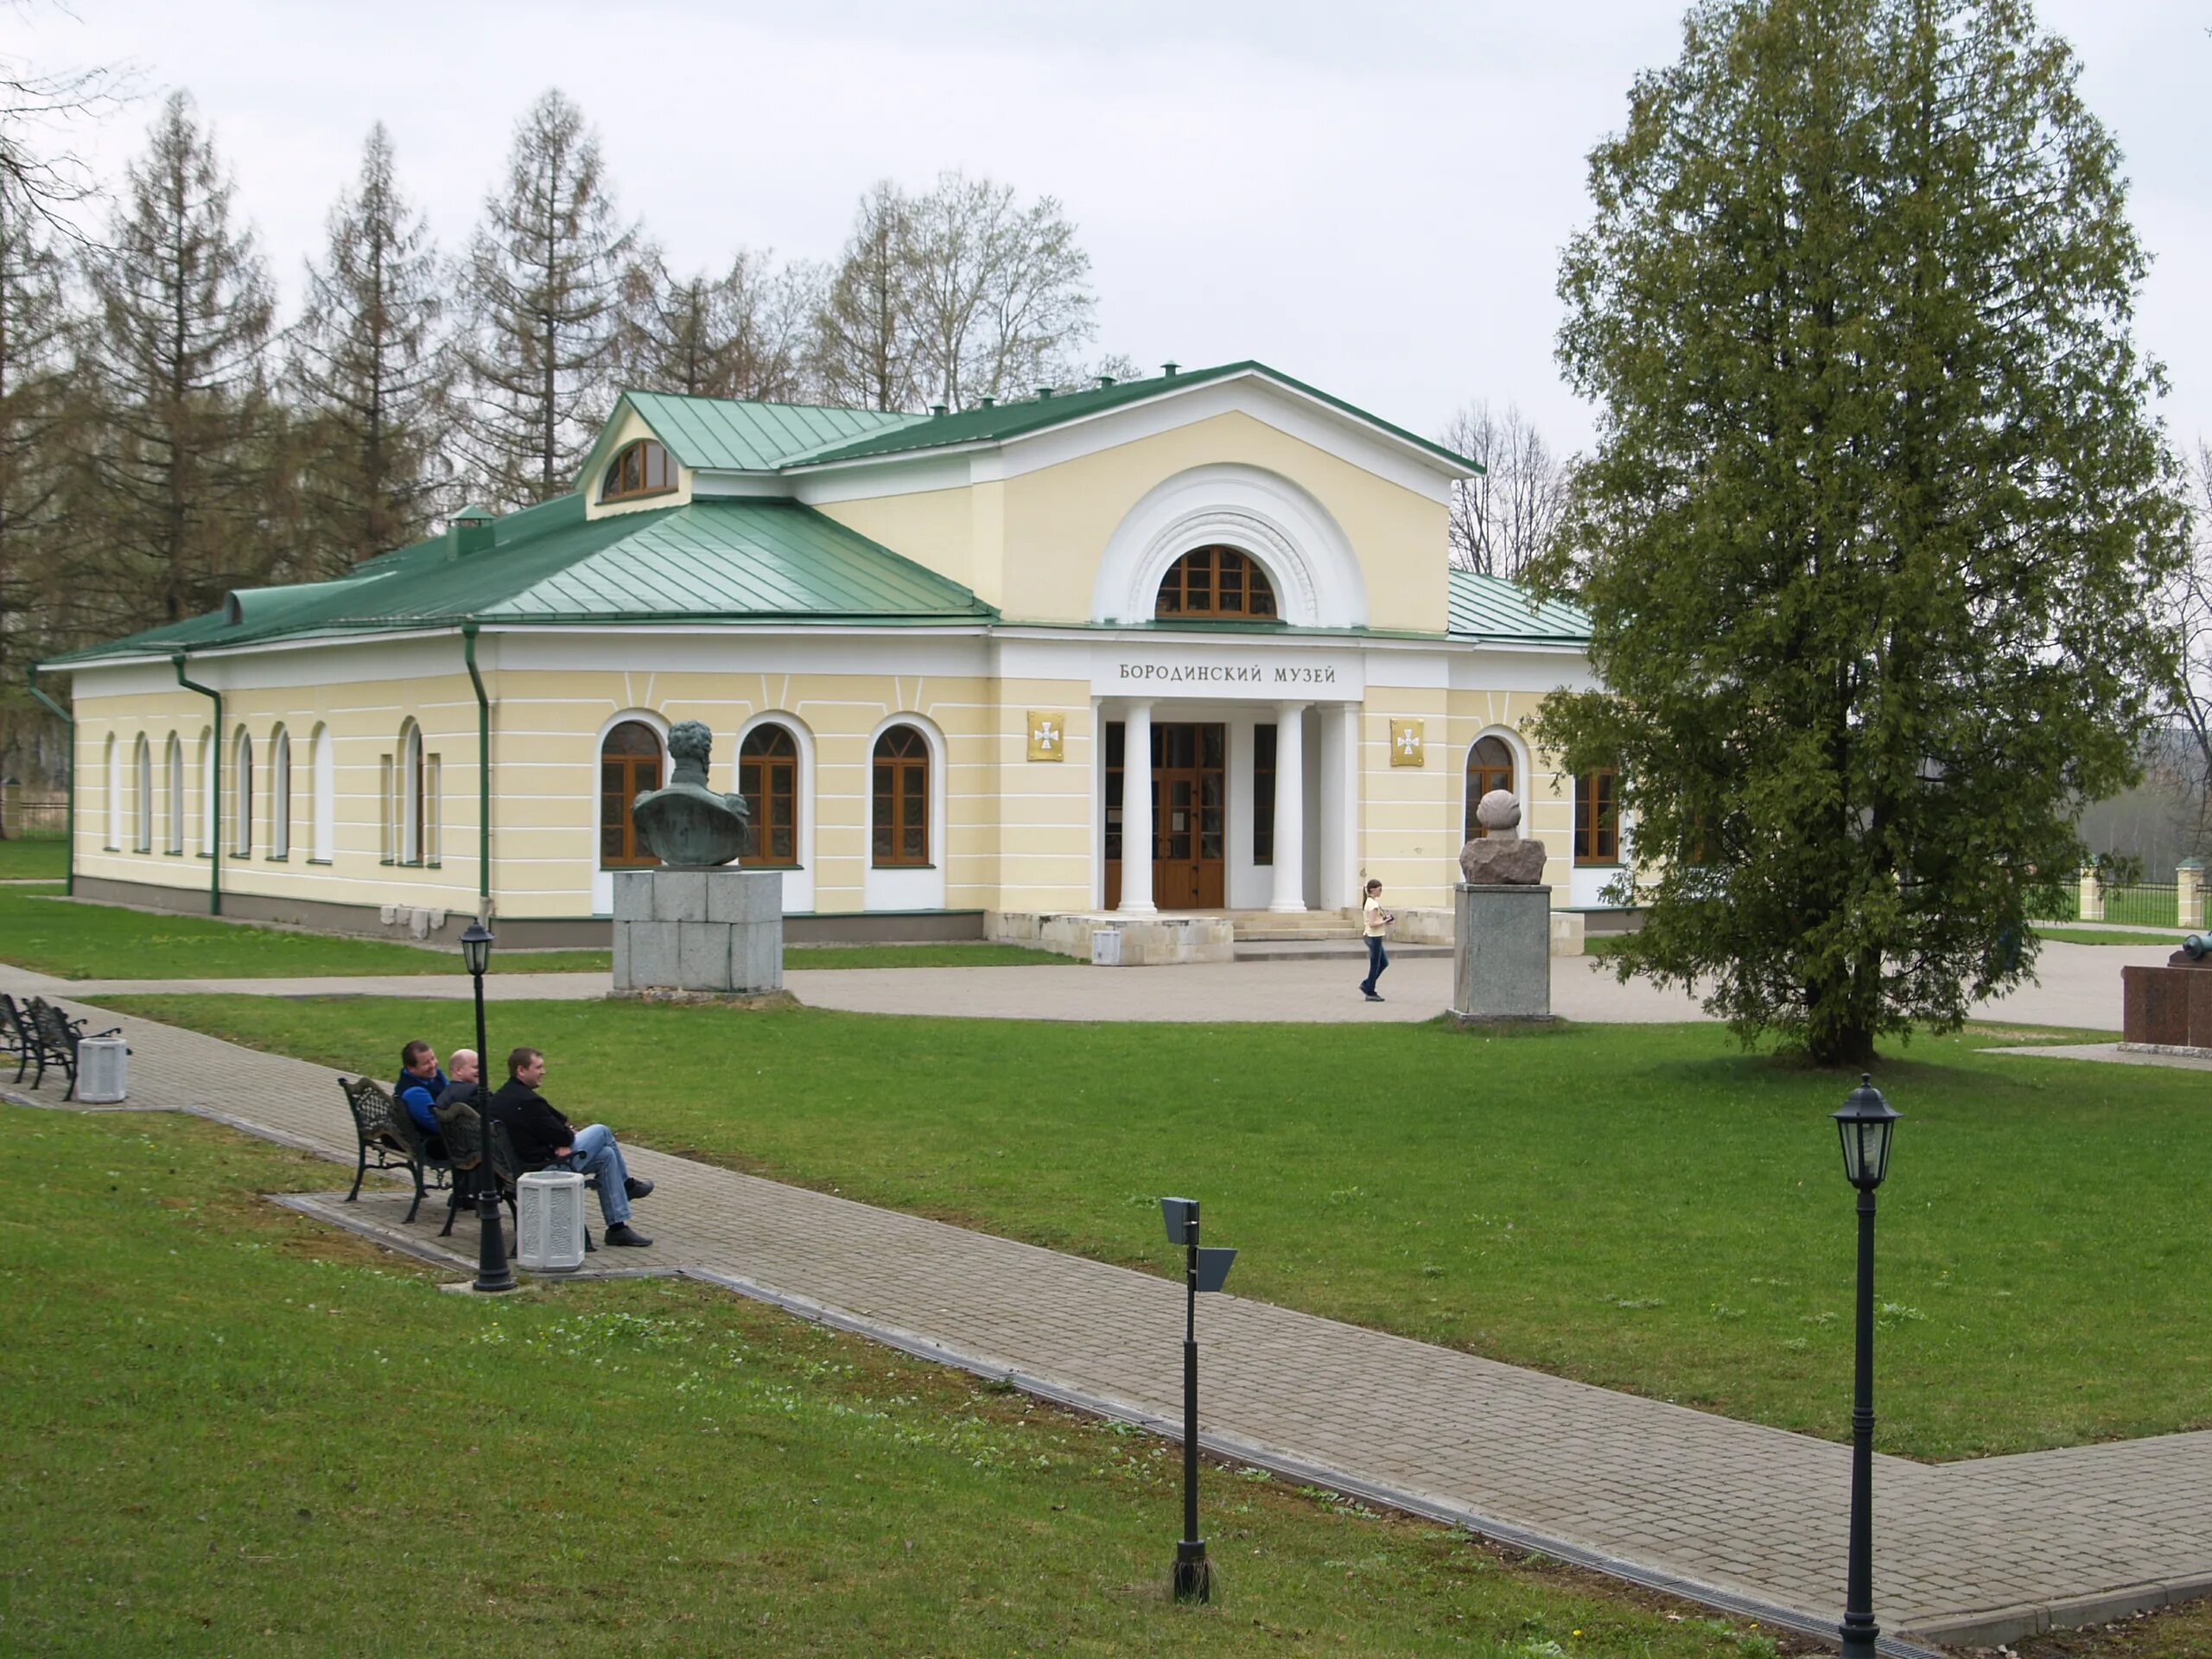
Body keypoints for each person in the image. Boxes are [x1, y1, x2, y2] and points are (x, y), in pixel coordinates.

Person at [487, 1046, 655, 1247]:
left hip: (517, 1167)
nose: (544, 1072)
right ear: (521, 1070)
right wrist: (563, 1139)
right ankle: (627, 1185)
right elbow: (561, 1133)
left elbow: (557, 1123)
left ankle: (617, 1229)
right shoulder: (528, 1101)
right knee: (602, 1131)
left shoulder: (503, 1096)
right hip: (542, 1168)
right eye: (538, 1067)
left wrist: (562, 1136)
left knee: (607, 1155)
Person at [393, 1039, 448, 1153]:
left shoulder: (434, 1075)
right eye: (426, 1063)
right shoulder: (414, 1093)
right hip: (431, 1143)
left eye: (433, 1059)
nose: (433, 1065)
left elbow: (451, 1092)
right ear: (411, 1068)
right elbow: (436, 1125)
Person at [1359, 879, 1395, 1002]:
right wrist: (1385, 921)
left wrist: (1385, 920)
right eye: (1380, 889)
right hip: (1374, 937)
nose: (1381, 891)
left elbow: (1375, 920)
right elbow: (1373, 923)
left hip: (1373, 935)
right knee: (1375, 965)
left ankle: (1367, 984)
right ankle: (1370, 991)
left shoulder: (1371, 902)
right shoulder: (1372, 904)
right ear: (1373, 890)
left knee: (1383, 963)